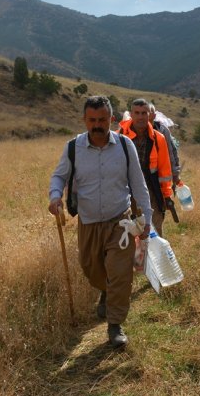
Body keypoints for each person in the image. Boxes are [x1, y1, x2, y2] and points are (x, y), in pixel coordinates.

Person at [48, 95, 152, 348]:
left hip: (121, 222)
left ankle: (115, 325)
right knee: (91, 268)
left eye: (102, 120)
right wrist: (55, 197)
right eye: (92, 120)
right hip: (89, 223)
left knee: (120, 273)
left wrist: (146, 219)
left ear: (112, 120)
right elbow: (59, 176)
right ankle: (105, 289)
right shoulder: (73, 148)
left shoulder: (125, 146)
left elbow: (138, 184)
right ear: (84, 120)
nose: (97, 125)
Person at [117, 99, 174, 238]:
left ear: (150, 115)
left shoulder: (158, 138)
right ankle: (132, 259)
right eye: (137, 113)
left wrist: (166, 196)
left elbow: (164, 170)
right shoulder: (119, 135)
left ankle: (155, 258)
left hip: (151, 188)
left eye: (144, 113)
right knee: (127, 230)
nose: (141, 116)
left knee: (154, 228)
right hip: (125, 189)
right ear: (131, 114)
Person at [149, 103, 182, 186]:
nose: (147, 115)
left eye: (150, 112)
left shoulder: (162, 130)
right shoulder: (134, 131)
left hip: (161, 176)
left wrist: (175, 174)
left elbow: (171, 151)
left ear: (154, 115)